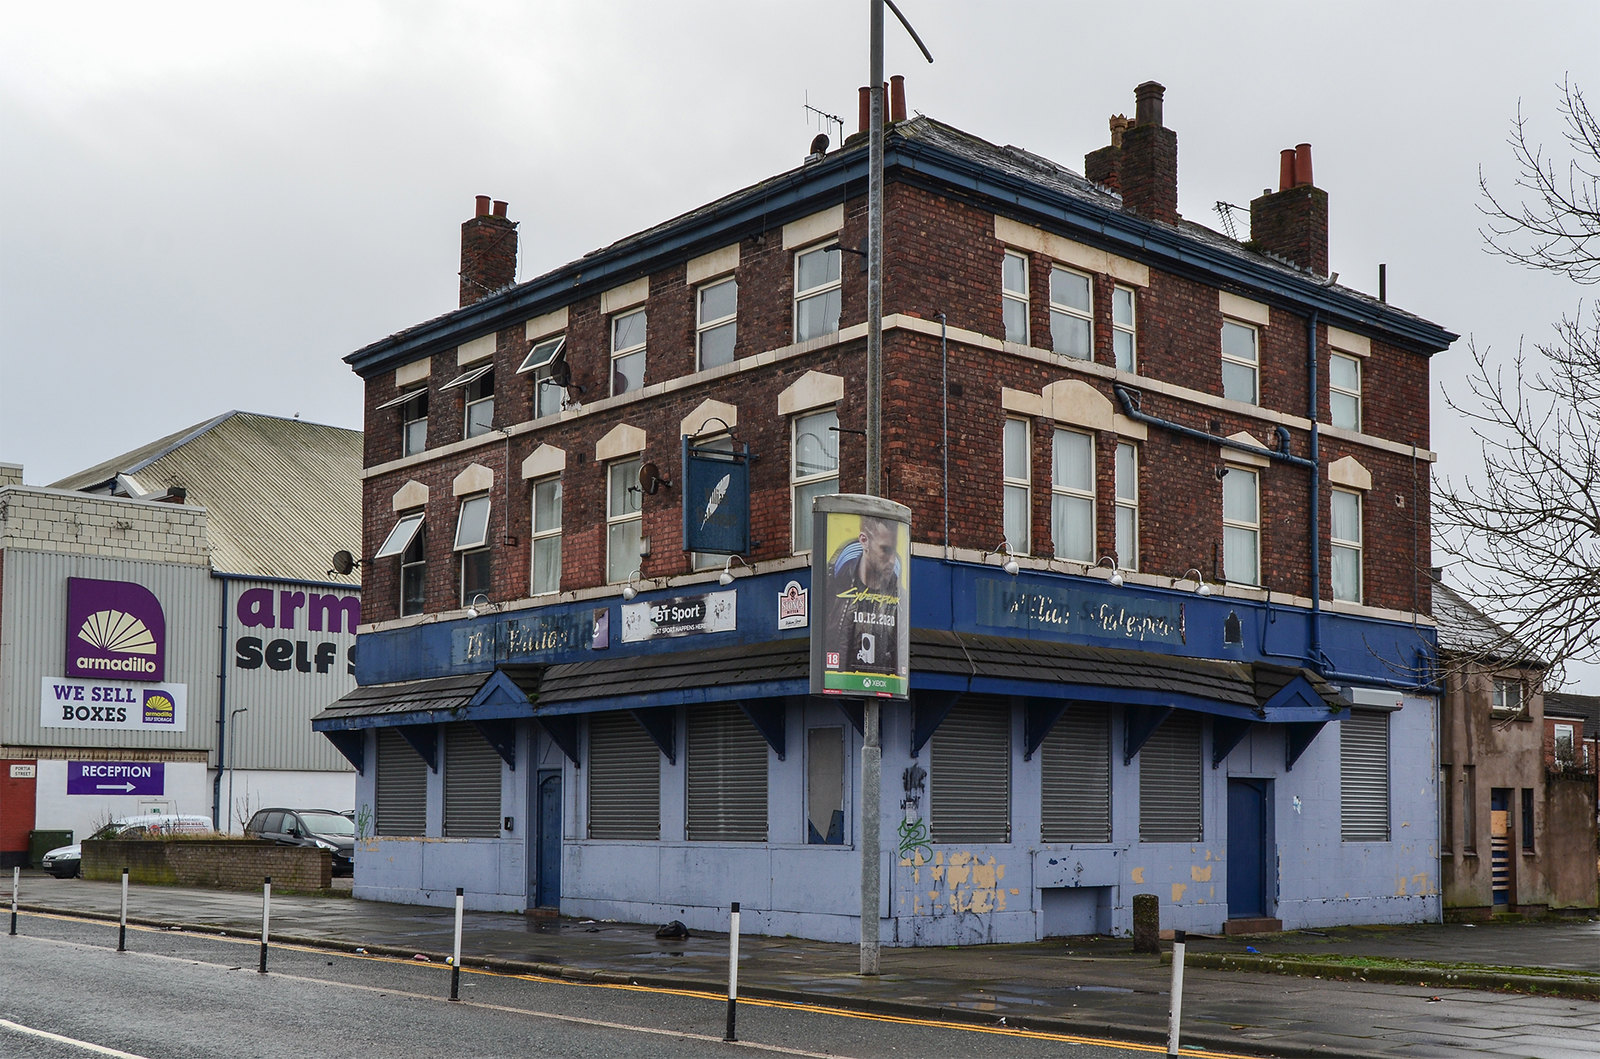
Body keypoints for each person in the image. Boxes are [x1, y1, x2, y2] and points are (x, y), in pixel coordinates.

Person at [825, 515, 903, 679]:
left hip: (882, 684)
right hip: (839, 683)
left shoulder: (899, 598)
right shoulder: (832, 587)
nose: (891, 560)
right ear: (864, 540)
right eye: (885, 550)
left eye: (894, 551)